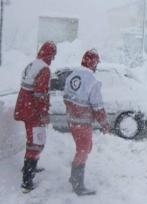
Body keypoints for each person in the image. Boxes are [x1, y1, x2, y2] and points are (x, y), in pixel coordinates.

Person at [63, 49, 110, 196]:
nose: (96, 66)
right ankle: (78, 184)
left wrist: (73, 111)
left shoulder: (72, 74)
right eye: (96, 63)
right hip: (82, 123)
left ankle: (74, 177)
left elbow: (66, 97)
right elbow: (98, 106)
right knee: (83, 150)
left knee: (86, 147)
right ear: (93, 63)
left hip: (72, 121)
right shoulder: (92, 81)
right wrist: (104, 123)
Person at [14, 41, 57, 193]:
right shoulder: (44, 69)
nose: (53, 58)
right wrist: (44, 113)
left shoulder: (32, 64)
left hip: (24, 107)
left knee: (31, 140)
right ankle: (27, 181)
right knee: (37, 142)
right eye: (53, 55)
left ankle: (30, 167)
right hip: (33, 111)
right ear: (50, 54)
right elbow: (41, 95)